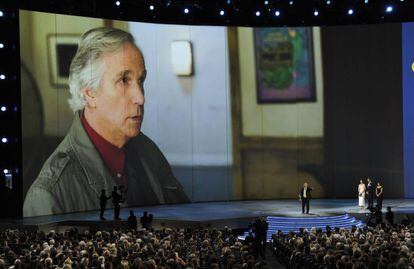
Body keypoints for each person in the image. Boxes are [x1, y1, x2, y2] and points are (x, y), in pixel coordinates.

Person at [23, 27, 189, 217]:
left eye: (141, 80)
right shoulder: (48, 195)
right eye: (124, 80)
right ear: (90, 94)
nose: (140, 97)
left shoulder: (148, 150)